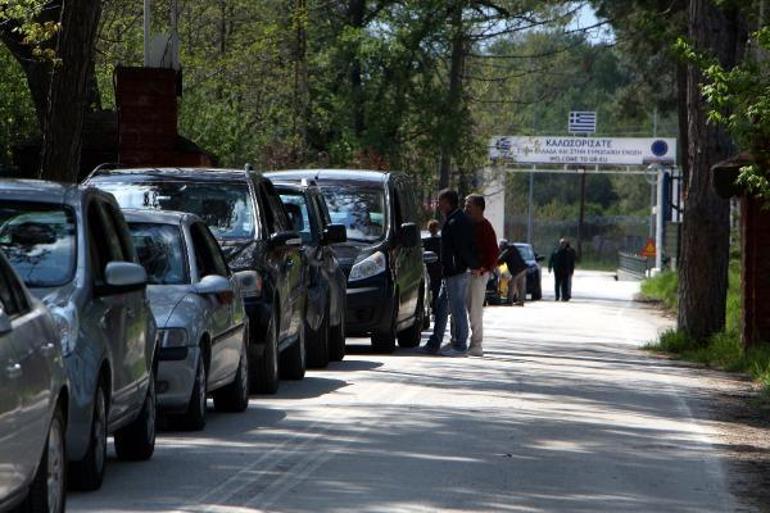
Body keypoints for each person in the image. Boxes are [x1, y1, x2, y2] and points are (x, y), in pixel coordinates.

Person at [419, 189, 479, 357]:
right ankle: (435, 342)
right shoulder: (454, 219)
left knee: (457, 307)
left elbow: (463, 248)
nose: (438, 204)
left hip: (456, 272)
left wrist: (469, 265)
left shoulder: (457, 221)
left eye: (440, 201)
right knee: (441, 305)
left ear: (448, 202)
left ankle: (460, 345)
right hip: (450, 272)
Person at [463, 193, 498, 357]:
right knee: (459, 309)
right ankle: (458, 341)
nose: (466, 207)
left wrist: (482, 269)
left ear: (479, 207)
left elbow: (493, 254)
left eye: (469, 204)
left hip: (478, 275)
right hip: (463, 274)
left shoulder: (486, 227)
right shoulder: (466, 225)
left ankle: (476, 344)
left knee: (475, 311)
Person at [499, 240, 527, 306]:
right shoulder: (512, 248)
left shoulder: (508, 249)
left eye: (500, 247)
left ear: (503, 245)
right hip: (523, 269)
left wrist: (496, 262)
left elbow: (501, 258)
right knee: (521, 286)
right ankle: (521, 301)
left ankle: (509, 301)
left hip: (516, 270)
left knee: (511, 284)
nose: (500, 248)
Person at [423, 219, 442, 314]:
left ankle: (435, 308)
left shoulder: (427, 241)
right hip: (436, 268)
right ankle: (436, 308)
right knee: (436, 289)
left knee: (435, 289)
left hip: (432, 268)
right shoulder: (440, 241)